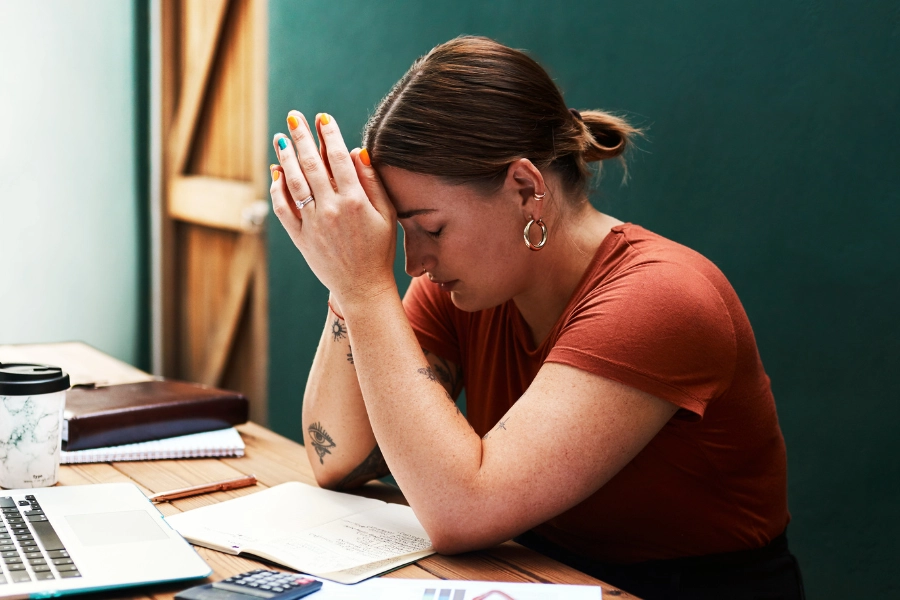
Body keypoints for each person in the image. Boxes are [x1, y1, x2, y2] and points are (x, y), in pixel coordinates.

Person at [268, 36, 805, 600]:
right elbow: (338, 459)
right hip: (535, 574)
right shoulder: (466, 288)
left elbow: (462, 512)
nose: (415, 263)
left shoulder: (661, 297)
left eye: (430, 229)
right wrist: (345, 285)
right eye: (401, 232)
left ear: (526, 188)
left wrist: (364, 286)